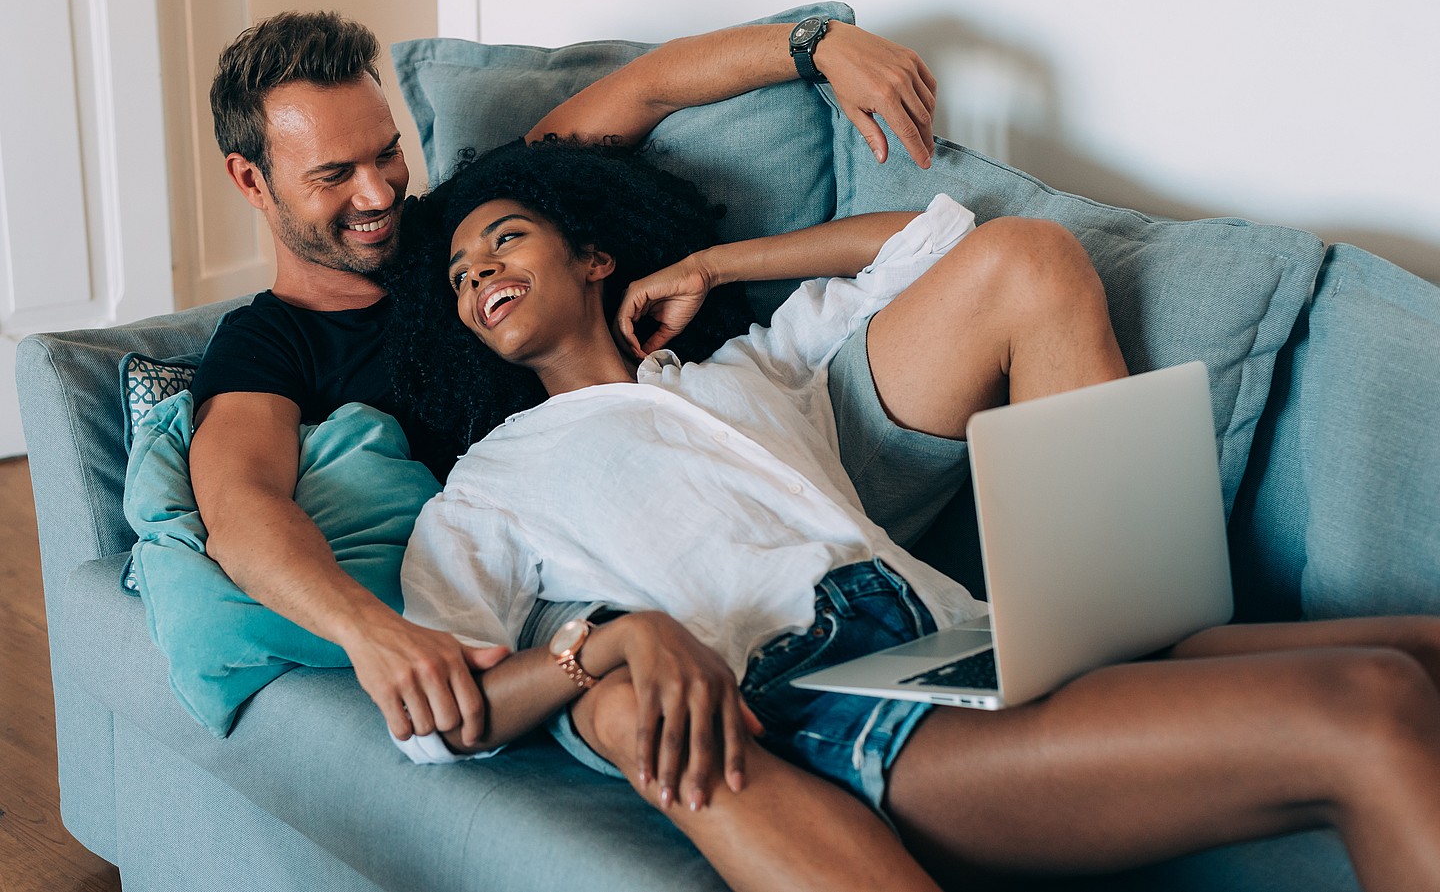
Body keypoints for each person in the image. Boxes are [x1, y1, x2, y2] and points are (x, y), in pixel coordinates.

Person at [387, 138, 1440, 892]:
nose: (478, 269)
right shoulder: (487, 484)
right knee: (1372, 706)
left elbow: (937, 239)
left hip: (978, 639)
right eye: (462, 271)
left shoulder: (745, 369)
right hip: (831, 706)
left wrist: (713, 266)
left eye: (506, 239)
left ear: (594, 259)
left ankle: (1150, 620)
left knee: (1423, 658)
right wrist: (602, 648)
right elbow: (443, 715)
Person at [187, 8, 948, 748]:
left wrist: (818, 44)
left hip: (723, 480)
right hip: (559, 584)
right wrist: (372, 631)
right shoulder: (268, 343)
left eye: (386, 153)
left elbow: (646, 89)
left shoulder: (469, 228)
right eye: (335, 174)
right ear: (251, 180)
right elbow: (242, 506)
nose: (381, 194)